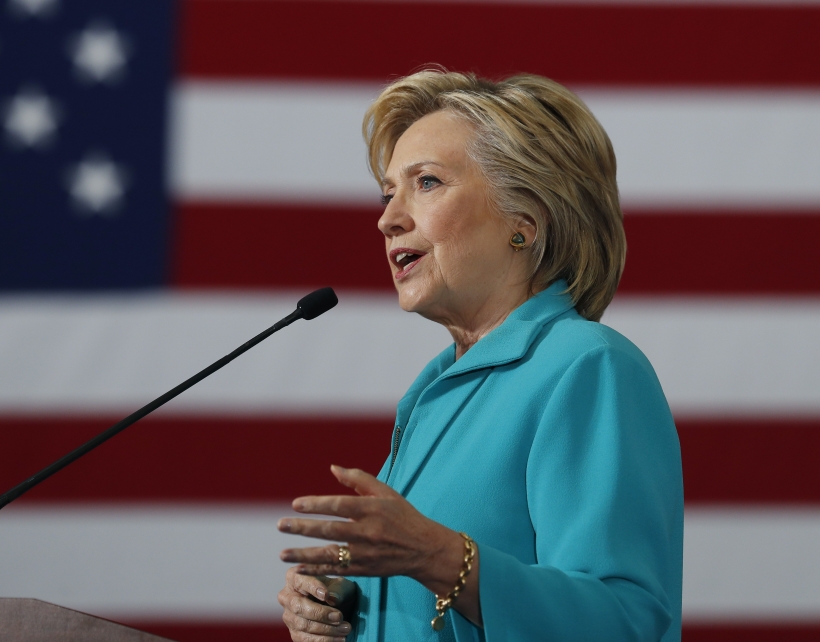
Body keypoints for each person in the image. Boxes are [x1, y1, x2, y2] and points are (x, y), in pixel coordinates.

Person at [276, 69, 683, 642]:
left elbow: (624, 622)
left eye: (428, 182)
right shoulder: (438, 390)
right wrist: (341, 607)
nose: (387, 218)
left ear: (524, 222)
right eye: (389, 192)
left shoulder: (587, 367)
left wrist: (440, 557)